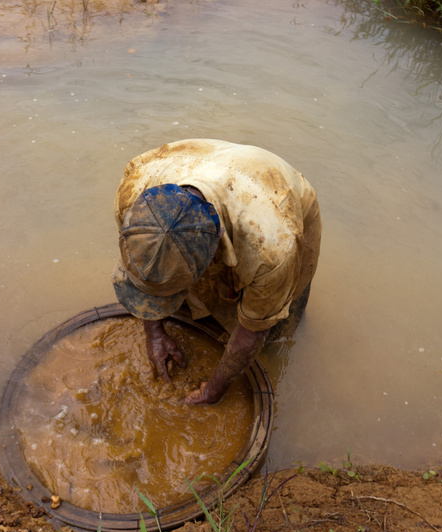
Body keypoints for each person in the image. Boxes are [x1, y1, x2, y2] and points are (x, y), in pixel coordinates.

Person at [112, 139, 321, 405]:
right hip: (205, 164)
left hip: (276, 194)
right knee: (191, 298)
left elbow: (254, 329)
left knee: (275, 330)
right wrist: (154, 332)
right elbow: (145, 270)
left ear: (216, 245)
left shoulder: (273, 248)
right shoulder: (134, 190)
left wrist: (214, 390)